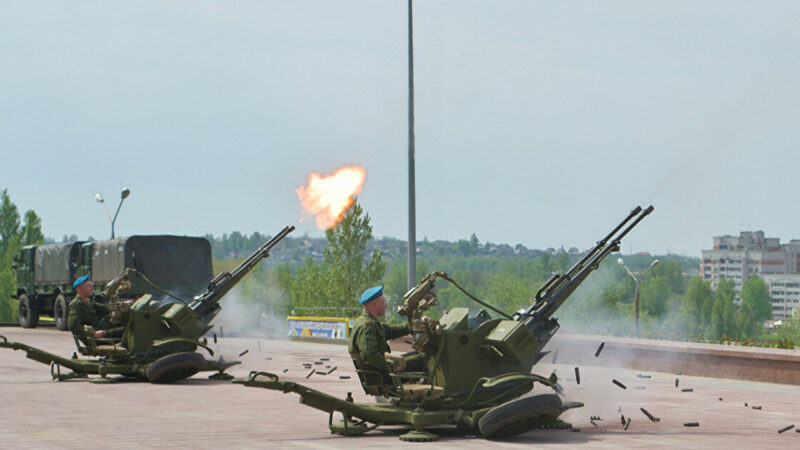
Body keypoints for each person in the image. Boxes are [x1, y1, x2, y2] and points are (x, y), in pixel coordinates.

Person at [348, 286, 426, 394]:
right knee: (425, 358)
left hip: (383, 372)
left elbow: (389, 330)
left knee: (418, 354)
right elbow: (370, 355)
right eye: (383, 302)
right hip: (385, 377)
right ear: (375, 304)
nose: (385, 305)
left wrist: (413, 326)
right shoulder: (367, 326)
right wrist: (393, 366)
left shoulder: (366, 322)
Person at [67, 275, 125, 345]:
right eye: (89, 286)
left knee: (118, 316)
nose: (92, 288)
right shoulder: (76, 304)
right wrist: (93, 334)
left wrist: (122, 306)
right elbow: (73, 325)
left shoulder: (88, 302)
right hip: (94, 338)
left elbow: (107, 308)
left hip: (97, 331)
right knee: (127, 330)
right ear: (80, 288)